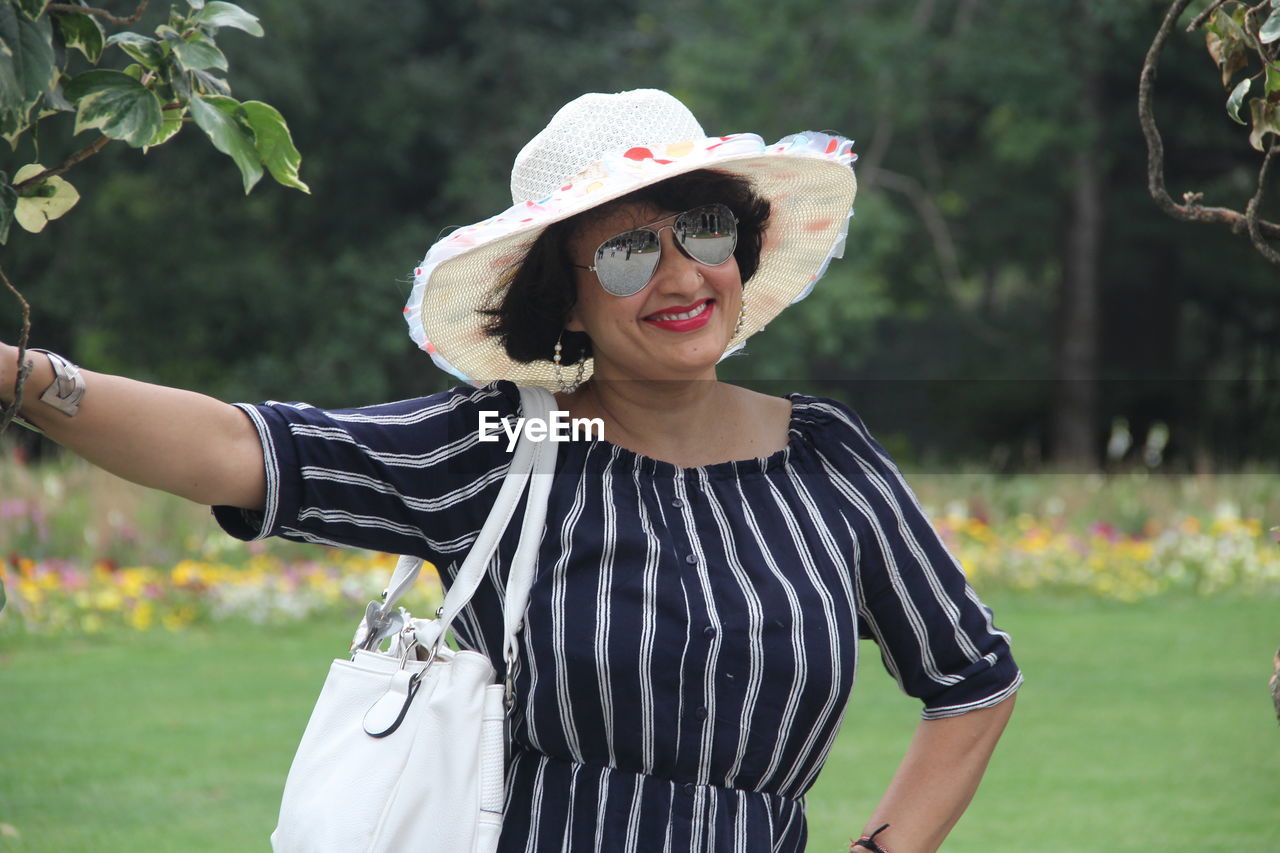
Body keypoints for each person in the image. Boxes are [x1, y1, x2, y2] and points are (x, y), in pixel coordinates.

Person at [0, 89, 1020, 852]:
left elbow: (970, 678)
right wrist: (27, 377)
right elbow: (242, 450)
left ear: (738, 250)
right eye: (624, 253)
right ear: (564, 300)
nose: (676, 274)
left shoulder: (821, 458)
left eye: (701, 232)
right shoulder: (527, 447)